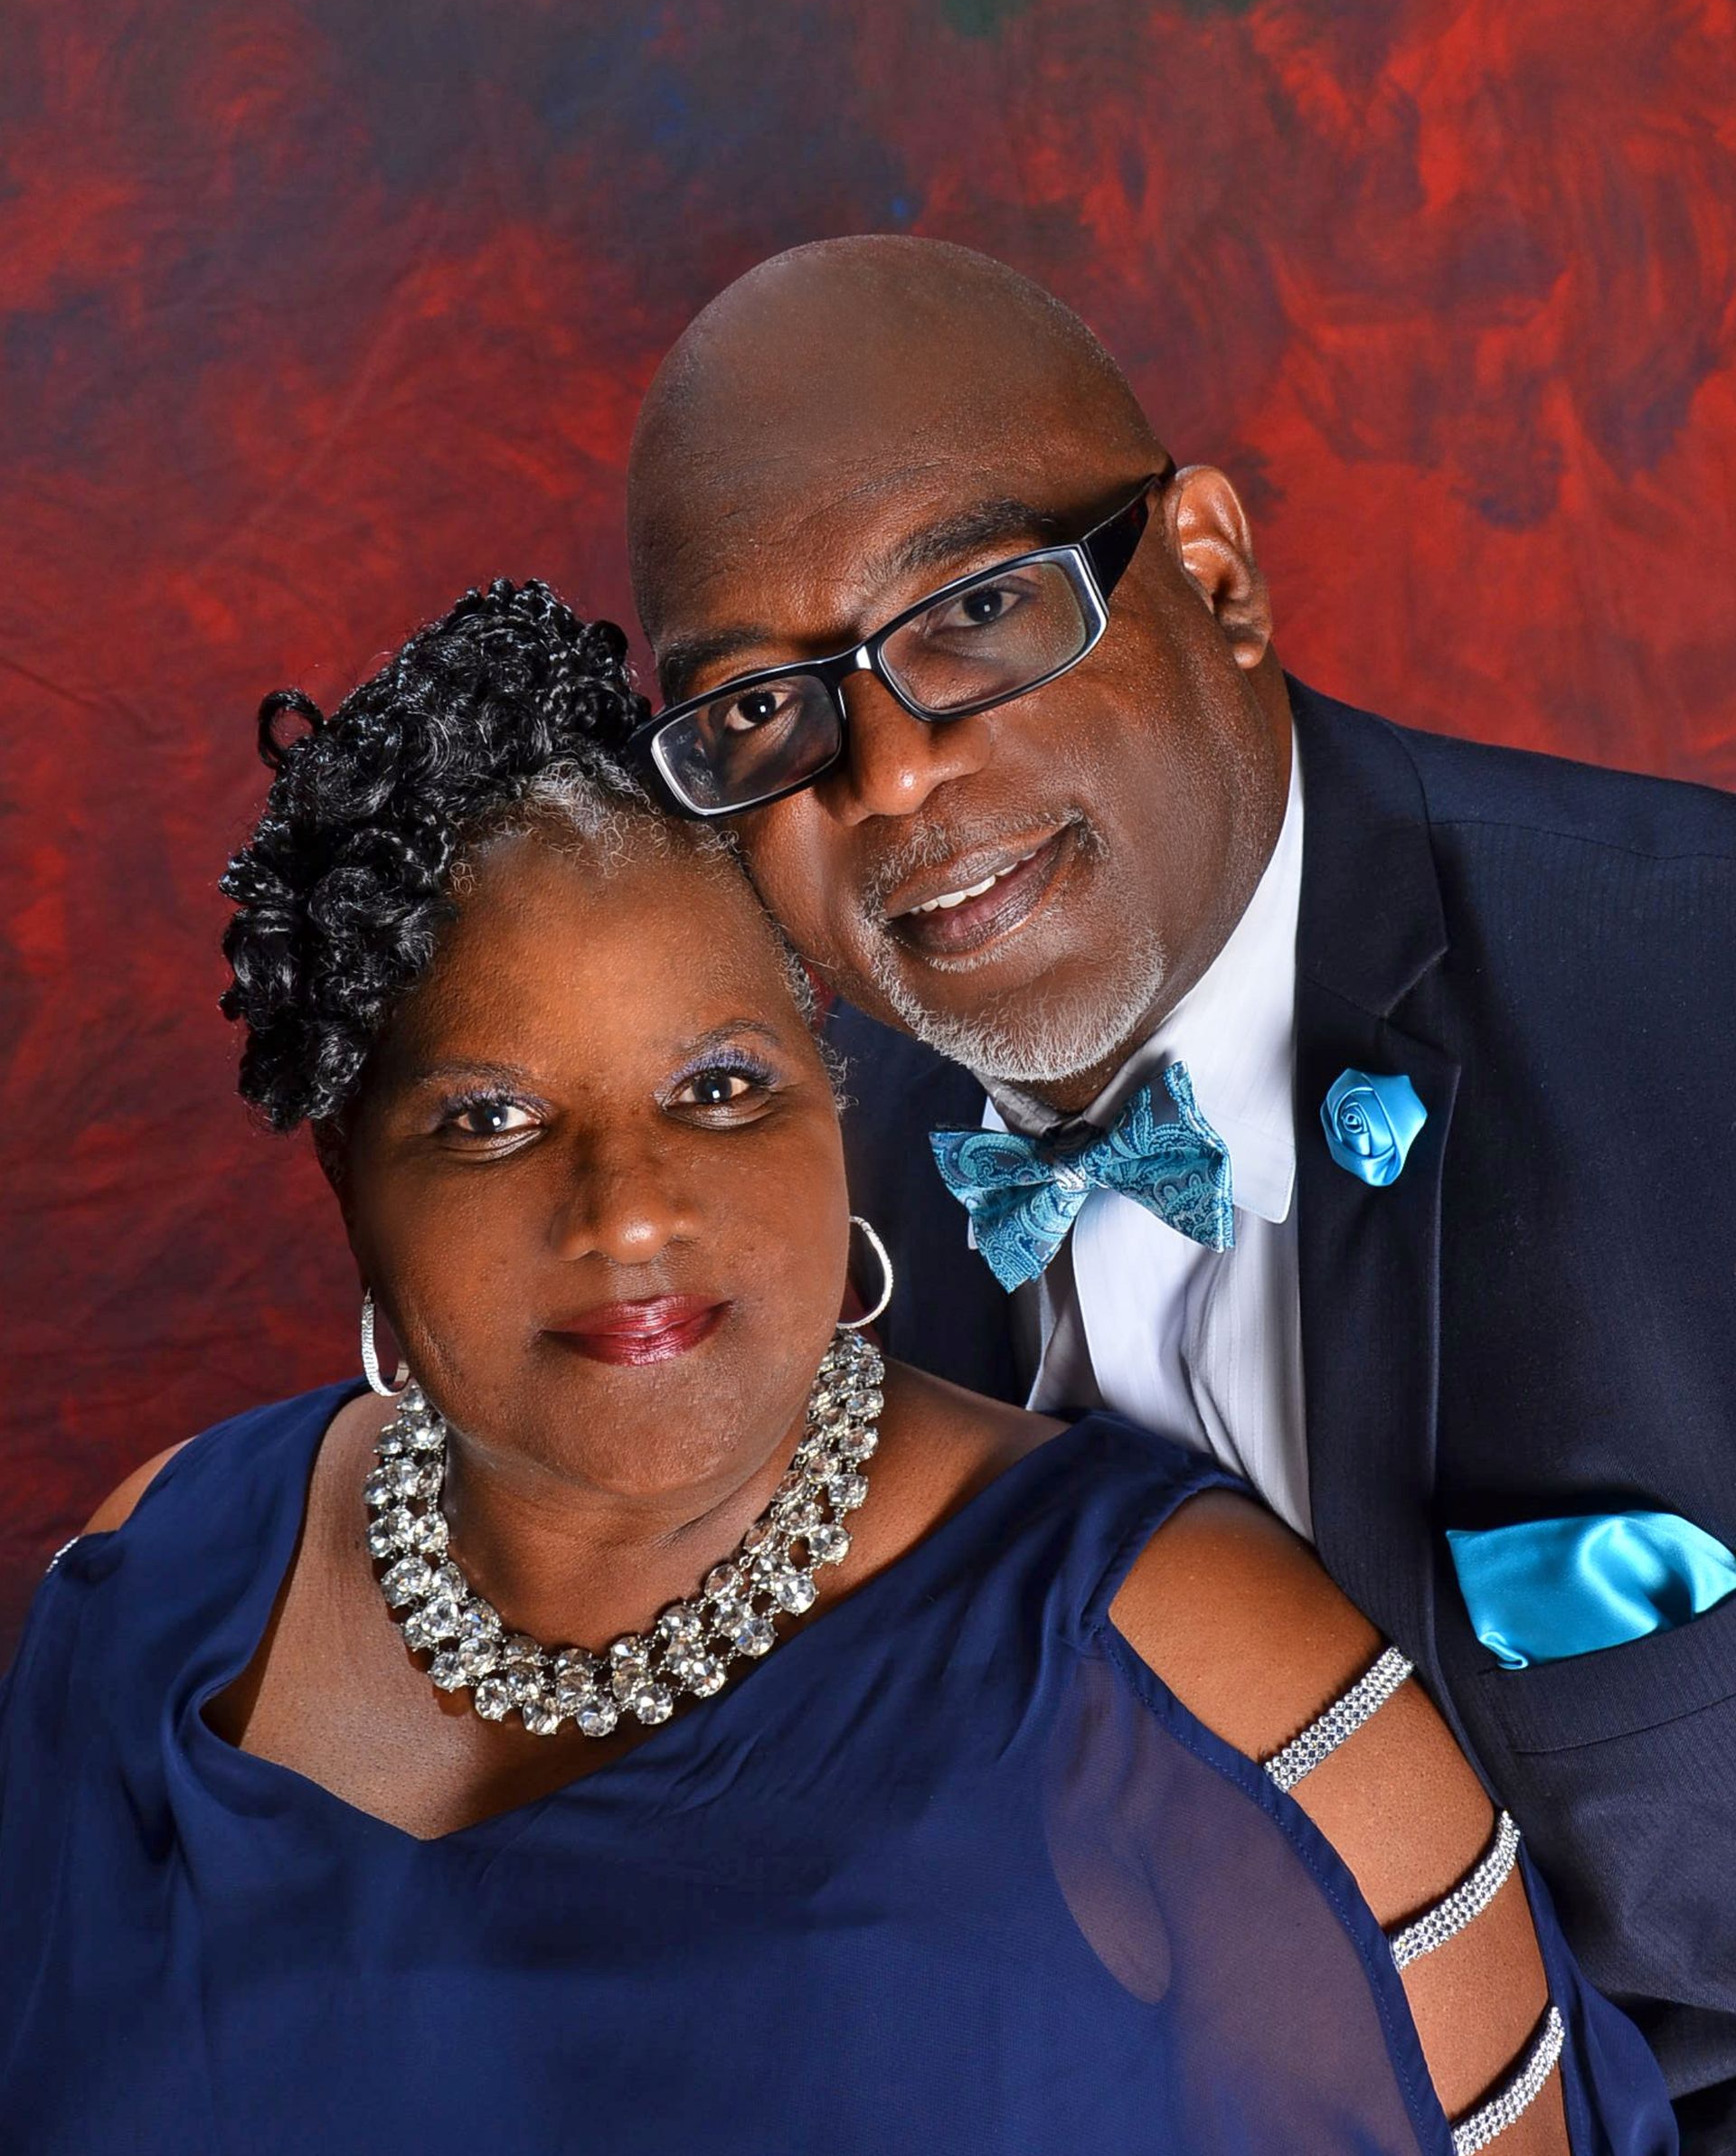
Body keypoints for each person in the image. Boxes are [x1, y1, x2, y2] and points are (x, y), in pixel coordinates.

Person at [0, 583, 1673, 2153]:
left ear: (833, 1092)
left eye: (721, 1088)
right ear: (344, 1176)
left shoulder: (1184, 1667)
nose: (632, 1214)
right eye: (491, 1119)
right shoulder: (165, 1574)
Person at [621, 236, 1736, 2148]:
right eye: (758, 713)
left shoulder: (1696, 1000)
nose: (884, 774)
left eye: (974, 608)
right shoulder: (763, 1229)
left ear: (1213, 579)